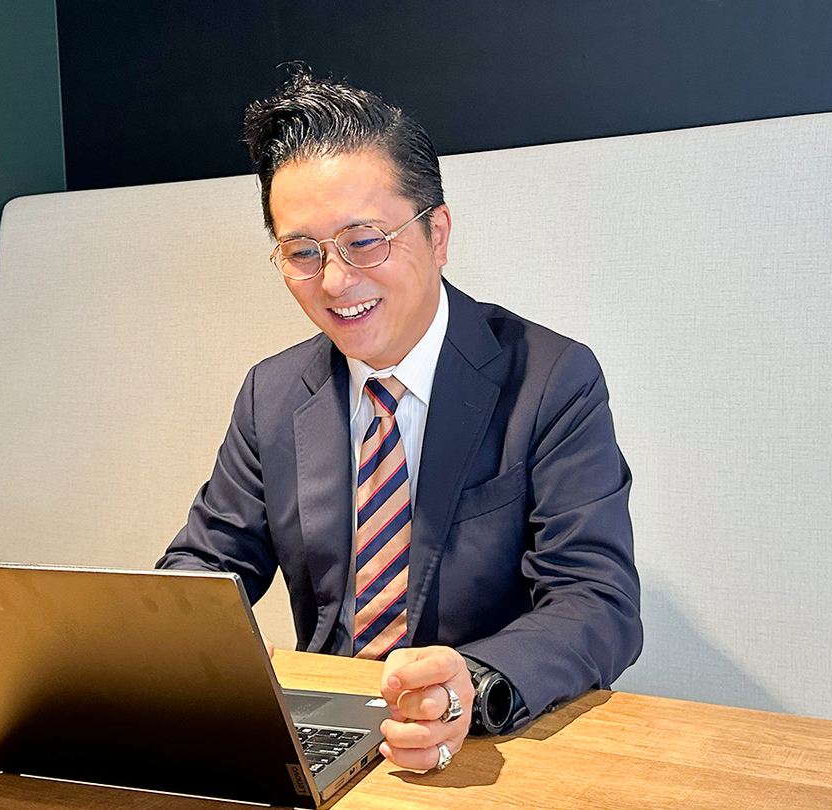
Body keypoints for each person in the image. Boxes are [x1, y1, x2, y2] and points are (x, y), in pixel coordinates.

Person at [157, 67, 641, 773]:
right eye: (302, 252)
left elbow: (597, 601)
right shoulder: (273, 393)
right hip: (322, 739)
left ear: (437, 233)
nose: (335, 282)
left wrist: (472, 683)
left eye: (364, 241)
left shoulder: (550, 379)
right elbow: (208, 562)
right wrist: (199, 644)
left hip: (487, 747)